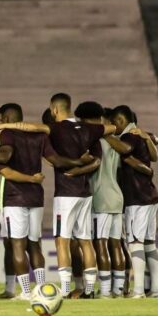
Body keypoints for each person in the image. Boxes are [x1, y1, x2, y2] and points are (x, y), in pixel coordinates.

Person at [0, 102, 93, 300]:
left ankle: (27, 292)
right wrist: (79, 162)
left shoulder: (6, 134)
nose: (1, 121)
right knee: (34, 245)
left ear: (8, 118)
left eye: (2, 118)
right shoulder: (40, 136)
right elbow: (57, 160)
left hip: (15, 197)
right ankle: (42, 287)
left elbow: (6, 156)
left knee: (18, 245)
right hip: (36, 197)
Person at [73, 102, 152, 298]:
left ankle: (106, 291)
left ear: (84, 120)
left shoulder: (93, 140)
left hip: (100, 196)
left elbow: (89, 163)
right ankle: (118, 289)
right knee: (116, 243)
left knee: (100, 243)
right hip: (117, 196)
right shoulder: (114, 140)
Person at [47, 93, 115, 298]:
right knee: (85, 240)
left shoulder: (55, 129)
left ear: (54, 110)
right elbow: (111, 128)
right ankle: (89, 290)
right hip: (85, 193)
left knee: (62, 241)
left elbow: (37, 130)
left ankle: (67, 290)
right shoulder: (89, 129)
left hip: (66, 192)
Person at [111, 105, 158, 299]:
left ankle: (138, 290)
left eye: (114, 123)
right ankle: (155, 290)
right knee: (150, 243)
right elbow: (155, 154)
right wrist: (148, 137)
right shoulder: (142, 135)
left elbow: (127, 152)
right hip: (150, 197)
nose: (113, 126)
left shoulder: (127, 137)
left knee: (135, 243)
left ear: (121, 121)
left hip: (136, 198)